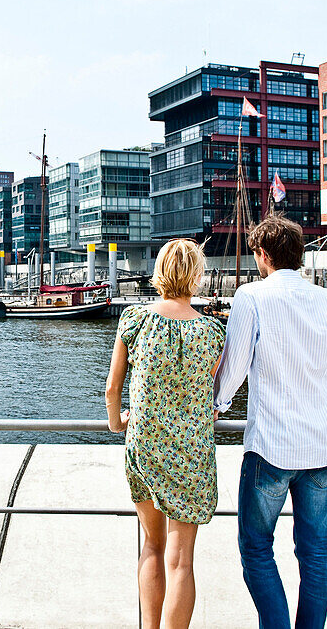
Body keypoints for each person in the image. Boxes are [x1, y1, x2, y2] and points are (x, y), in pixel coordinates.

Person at [214, 214, 327, 629]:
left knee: (256, 548)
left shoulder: (251, 297)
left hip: (270, 447)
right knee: (316, 554)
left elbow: (233, 371)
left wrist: (215, 404)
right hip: (322, 448)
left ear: (262, 254)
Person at [105, 238, 225, 629]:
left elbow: (113, 388)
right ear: (197, 276)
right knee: (181, 560)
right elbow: (206, 389)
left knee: (152, 548)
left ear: (159, 272)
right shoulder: (212, 331)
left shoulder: (134, 320)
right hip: (191, 452)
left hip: (145, 444)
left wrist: (116, 422)